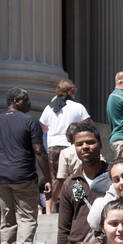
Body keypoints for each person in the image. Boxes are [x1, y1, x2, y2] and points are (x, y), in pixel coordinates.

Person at [0, 88, 51, 244]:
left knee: (7, 221)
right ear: (15, 101)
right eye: (26, 100)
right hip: (24, 177)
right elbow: (39, 150)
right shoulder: (30, 122)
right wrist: (48, 176)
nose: (30, 103)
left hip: (2, 179)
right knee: (27, 219)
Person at [55, 121, 109, 244]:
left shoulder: (114, 177)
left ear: (100, 144)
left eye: (90, 142)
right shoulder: (70, 184)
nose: (85, 147)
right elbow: (63, 229)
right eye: (79, 144)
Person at [39, 79, 90, 212]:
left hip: (53, 148)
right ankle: (76, 208)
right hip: (70, 147)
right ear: (71, 91)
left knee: (53, 179)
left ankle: (50, 210)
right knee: (75, 178)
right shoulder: (78, 107)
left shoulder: (49, 108)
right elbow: (88, 125)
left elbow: (44, 127)